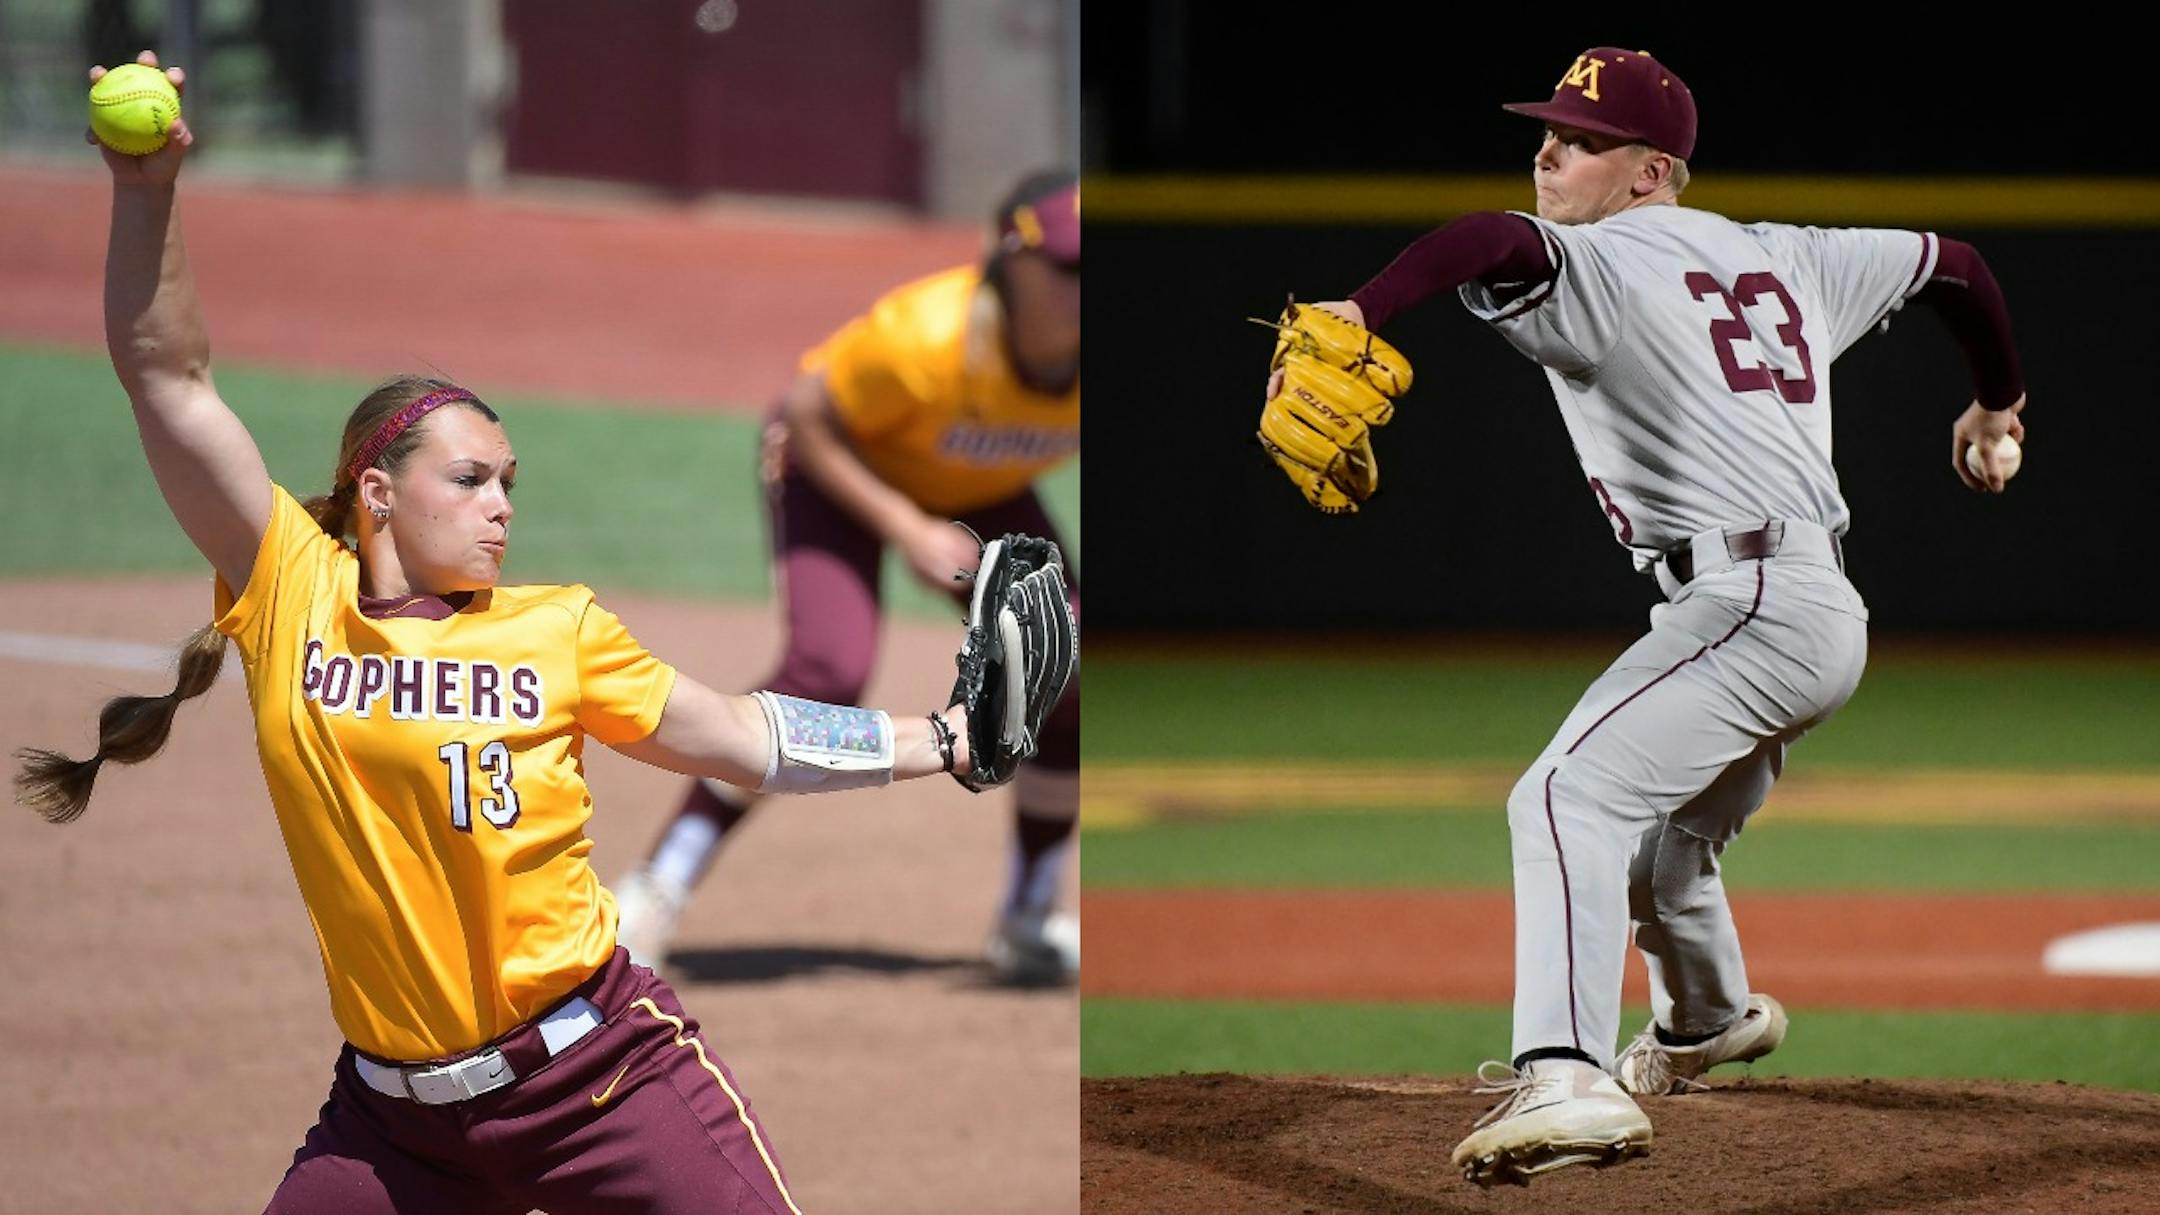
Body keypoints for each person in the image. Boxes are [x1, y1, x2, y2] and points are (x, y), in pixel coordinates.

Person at [18, 54, 1065, 1214]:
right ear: (375, 492)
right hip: (387, 1127)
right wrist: (145, 191)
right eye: (469, 479)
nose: (502, 504)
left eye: (509, 480)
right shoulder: (286, 589)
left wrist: (943, 736)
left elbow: (738, 734)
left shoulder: (557, 629)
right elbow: (168, 376)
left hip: (604, 1084)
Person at [1267, 47, 2027, 1186]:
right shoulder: (1784, 254)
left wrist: (1361, 307)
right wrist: (1997, 402)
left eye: (1578, 140)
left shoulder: (1600, 262)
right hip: (1814, 606)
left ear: (1652, 171)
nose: (1547, 152)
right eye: (1546, 131)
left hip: (1753, 602)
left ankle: (1565, 1076)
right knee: (1667, 846)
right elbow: (1958, 266)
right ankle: (1704, 1018)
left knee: (1567, 794)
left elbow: (1491, 239)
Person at [610, 169, 1082, 984]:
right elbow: (804, 416)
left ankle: (1030, 915)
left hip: (972, 491)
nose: (1089, 287)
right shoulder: (925, 339)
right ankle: (652, 889)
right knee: (827, 670)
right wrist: (905, 526)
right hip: (838, 466)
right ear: (1010, 263)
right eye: (1071, 269)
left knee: (1064, 662)